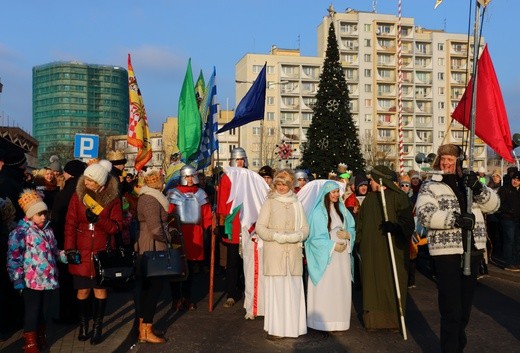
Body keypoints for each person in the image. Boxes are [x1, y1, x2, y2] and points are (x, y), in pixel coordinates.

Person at [415, 144, 499, 352]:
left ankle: (457, 347)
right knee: (451, 309)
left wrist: (479, 188)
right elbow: (424, 214)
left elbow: (494, 206)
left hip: (472, 251)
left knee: (464, 311)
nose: (446, 162)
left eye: (451, 159)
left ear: (458, 161)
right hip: (446, 253)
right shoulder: (430, 184)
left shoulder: (469, 183)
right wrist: (456, 220)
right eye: (443, 158)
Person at [64, 163, 123, 345]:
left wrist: (99, 220)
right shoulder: (77, 196)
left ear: (100, 182)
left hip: (101, 251)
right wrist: (69, 249)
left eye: (90, 180)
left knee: (100, 290)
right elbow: (70, 224)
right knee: (82, 290)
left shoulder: (113, 198)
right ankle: (83, 325)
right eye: (86, 178)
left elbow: (117, 227)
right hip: (81, 250)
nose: (86, 181)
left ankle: (98, 327)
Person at [7, 189, 68, 353]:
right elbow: (14, 258)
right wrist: (17, 279)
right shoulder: (20, 233)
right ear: (29, 215)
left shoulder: (48, 230)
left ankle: (40, 336)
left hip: (48, 279)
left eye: (45, 213)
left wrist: (62, 256)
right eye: (39, 214)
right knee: (32, 311)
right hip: (31, 281)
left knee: (44, 310)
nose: (43, 217)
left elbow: (54, 250)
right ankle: (30, 342)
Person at [356, 165, 414, 331]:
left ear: (380, 180)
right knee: (373, 283)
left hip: (393, 250)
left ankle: (393, 320)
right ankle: (374, 321)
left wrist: (396, 228)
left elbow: (408, 224)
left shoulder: (399, 198)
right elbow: (361, 224)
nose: (370, 183)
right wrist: (359, 243)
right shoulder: (370, 199)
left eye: (372, 180)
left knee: (390, 282)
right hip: (372, 250)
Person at [255, 169, 309, 338]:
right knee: (278, 292)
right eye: (278, 184)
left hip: (293, 254)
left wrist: (298, 236)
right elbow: (260, 227)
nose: (281, 188)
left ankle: (294, 328)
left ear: (290, 184)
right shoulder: (269, 202)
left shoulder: (297, 203)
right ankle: (277, 329)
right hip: (275, 254)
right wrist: (275, 236)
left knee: (293, 290)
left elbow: (305, 228)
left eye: (284, 184)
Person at [305, 180, 355, 332]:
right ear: (326, 194)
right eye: (332, 192)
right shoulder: (317, 213)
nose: (336, 195)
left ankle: (339, 320)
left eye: (337, 192)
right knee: (327, 286)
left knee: (340, 285)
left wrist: (349, 235)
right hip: (327, 257)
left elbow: (352, 228)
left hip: (342, 257)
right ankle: (322, 321)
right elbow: (314, 238)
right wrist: (333, 246)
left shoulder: (343, 210)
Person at [167, 165, 212, 310]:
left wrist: (211, 228)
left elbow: (207, 216)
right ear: (182, 177)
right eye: (187, 176)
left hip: (195, 236)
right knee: (176, 269)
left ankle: (186, 298)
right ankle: (176, 299)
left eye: (192, 176)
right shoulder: (173, 193)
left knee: (190, 270)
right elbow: (169, 215)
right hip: (178, 236)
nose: (190, 179)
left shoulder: (201, 194)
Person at [50, 159, 87, 323]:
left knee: (66, 280)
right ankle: (84, 312)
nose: (62, 174)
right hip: (83, 241)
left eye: (65, 171)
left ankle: (68, 314)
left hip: (66, 241)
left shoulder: (65, 193)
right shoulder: (84, 191)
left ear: (70, 173)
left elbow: (58, 219)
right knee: (82, 279)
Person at [135, 168, 168, 344]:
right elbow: (155, 228)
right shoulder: (150, 199)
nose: (163, 181)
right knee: (153, 289)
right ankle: (145, 329)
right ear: (157, 183)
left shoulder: (151, 197)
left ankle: (144, 327)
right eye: (162, 179)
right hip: (152, 246)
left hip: (149, 245)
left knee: (149, 289)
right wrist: (168, 238)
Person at [215, 147, 248, 308]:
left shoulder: (250, 177)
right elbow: (222, 202)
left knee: (247, 261)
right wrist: (221, 223)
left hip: (248, 225)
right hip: (232, 225)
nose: (240, 162)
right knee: (232, 261)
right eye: (237, 159)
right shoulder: (226, 178)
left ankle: (246, 289)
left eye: (242, 159)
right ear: (232, 160)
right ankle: (231, 292)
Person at [496, 171, 520, 272]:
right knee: (509, 241)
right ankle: (508, 263)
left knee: (517, 242)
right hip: (507, 218)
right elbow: (499, 203)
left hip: (518, 219)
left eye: (518, 180)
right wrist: (510, 211)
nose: (515, 181)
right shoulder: (504, 189)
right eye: (514, 179)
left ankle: (516, 262)